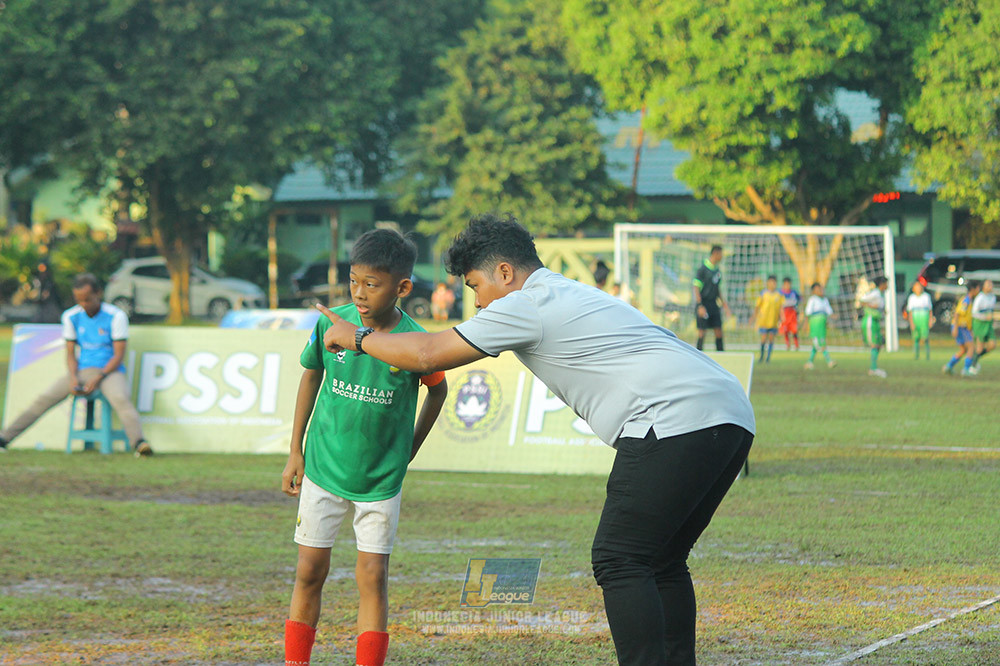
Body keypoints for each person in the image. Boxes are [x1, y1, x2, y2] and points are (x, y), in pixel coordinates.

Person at [313, 213, 755, 666]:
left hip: (672, 418)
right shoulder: (566, 289)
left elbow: (428, 353)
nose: (480, 304)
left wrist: (357, 337)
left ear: (505, 273)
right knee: (660, 560)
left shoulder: (523, 304)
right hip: (730, 411)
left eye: (476, 287)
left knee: (619, 559)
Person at [280, 228, 448, 666]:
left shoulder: (415, 342)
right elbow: (310, 375)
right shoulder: (329, 322)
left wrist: (409, 448)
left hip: (380, 479)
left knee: (373, 577)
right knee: (309, 572)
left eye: (372, 284)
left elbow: (438, 391)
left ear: (402, 287)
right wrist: (295, 450)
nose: (359, 293)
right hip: (323, 467)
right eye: (354, 281)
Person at [0, 273, 151, 456]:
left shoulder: (116, 316)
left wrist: (99, 377)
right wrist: (73, 378)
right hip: (82, 371)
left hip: (109, 372)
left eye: (88, 299)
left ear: (99, 293)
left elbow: (118, 355)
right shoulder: (71, 316)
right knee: (44, 399)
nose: (83, 305)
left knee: (121, 399)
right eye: (79, 300)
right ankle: (5, 438)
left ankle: (139, 443)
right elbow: (70, 354)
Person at [691, 245, 732, 351]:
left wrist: (725, 306)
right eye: (721, 254)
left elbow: (717, 290)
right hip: (703, 304)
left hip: (714, 304)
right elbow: (696, 288)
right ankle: (698, 357)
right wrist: (700, 306)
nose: (722, 256)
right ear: (715, 253)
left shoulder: (718, 271)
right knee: (702, 332)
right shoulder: (703, 269)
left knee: (719, 331)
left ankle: (721, 356)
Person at [943, 280, 980, 376]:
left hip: (963, 327)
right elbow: (957, 314)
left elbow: (967, 317)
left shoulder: (970, 300)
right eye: (978, 288)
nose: (979, 290)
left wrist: (970, 329)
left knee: (963, 350)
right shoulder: (966, 300)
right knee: (971, 347)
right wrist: (955, 328)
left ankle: (948, 366)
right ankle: (966, 370)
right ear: (973, 289)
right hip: (960, 327)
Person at [859, 276, 889, 378]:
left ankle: (874, 367)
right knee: (874, 345)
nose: (887, 285)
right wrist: (872, 306)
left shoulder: (880, 294)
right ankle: (873, 369)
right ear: (882, 284)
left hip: (875, 321)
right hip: (870, 321)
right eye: (886, 283)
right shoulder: (875, 293)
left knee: (879, 344)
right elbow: (862, 300)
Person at [803, 282, 836, 369]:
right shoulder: (812, 299)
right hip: (815, 324)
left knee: (816, 344)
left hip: (822, 324)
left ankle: (809, 362)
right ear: (813, 291)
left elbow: (829, 311)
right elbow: (808, 313)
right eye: (818, 289)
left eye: (821, 289)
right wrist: (806, 325)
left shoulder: (824, 300)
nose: (820, 291)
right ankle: (829, 361)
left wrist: (834, 316)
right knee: (821, 343)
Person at [753, 275, 782, 363]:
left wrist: (782, 318)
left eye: (774, 283)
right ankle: (762, 356)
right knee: (763, 338)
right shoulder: (763, 294)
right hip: (764, 321)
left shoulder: (778, 295)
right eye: (771, 282)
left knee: (771, 339)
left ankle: (768, 358)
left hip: (773, 321)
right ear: (768, 283)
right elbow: (757, 306)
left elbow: (781, 308)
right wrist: (754, 317)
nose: (773, 284)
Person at [903, 280, 934, 360]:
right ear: (913, 289)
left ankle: (927, 356)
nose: (918, 289)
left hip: (924, 318)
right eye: (916, 287)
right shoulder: (911, 298)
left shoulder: (926, 296)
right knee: (916, 337)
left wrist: (930, 320)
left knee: (925, 337)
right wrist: (911, 323)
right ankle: (916, 356)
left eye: (919, 287)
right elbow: (910, 312)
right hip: (915, 318)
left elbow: (930, 309)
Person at [971, 278, 996, 372]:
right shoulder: (980, 298)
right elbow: (974, 313)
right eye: (988, 284)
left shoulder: (992, 297)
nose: (991, 286)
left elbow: (991, 312)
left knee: (992, 345)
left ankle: (975, 358)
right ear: (983, 287)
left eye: (991, 284)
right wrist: (985, 317)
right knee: (979, 347)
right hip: (979, 324)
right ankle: (973, 366)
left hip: (988, 325)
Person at [778, 277, 801, 351]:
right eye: (786, 284)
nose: (787, 286)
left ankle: (796, 345)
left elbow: (800, 300)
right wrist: (781, 315)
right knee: (785, 331)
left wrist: (799, 311)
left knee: (794, 330)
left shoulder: (794, 292)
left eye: (789, 284)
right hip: (785, 313)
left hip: (792, 314)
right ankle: (788, 345)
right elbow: (779, 305)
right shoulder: (780, 293)